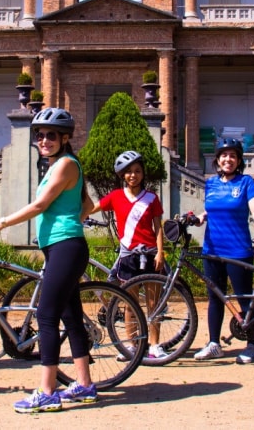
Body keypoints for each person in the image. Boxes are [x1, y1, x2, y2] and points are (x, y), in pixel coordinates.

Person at [0, 107, 96, 413]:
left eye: (51, 136)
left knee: (46, 316)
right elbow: (89, 203)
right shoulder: (60, 165)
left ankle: (48, 391)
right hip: (63, 246)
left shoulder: (65, 165)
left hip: (66, 246)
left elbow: (40, 205)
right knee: (70, 317)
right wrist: (73, 221)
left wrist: (0, 223)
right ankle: (84, 385)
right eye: (39, 136)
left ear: (65, 138)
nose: (43, 140)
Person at [194, 138, 254, 364]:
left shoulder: (246, 182)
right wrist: (200, 218)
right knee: (215, 297)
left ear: (239, 161)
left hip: (238, 250)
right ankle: (214, 344)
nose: (228, 159)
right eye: (224, 155)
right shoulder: (211, 183)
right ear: (218, 159)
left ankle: (253, 346)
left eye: (233, 156)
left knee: (244, 297)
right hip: (212, 249)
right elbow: (210, 211)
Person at [87, 150, 167, 359]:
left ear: (143, 173)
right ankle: (132, 345)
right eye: (129, 172)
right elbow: (91, 209)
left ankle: (154, 345)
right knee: (130, 304)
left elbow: (158, 227)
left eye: (137, 171)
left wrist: (160, 252)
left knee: (153, 303)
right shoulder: (115, 196)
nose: (133, 175)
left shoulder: (151, 198)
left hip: (150, 254)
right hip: (128, 256)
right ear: (122, 175)